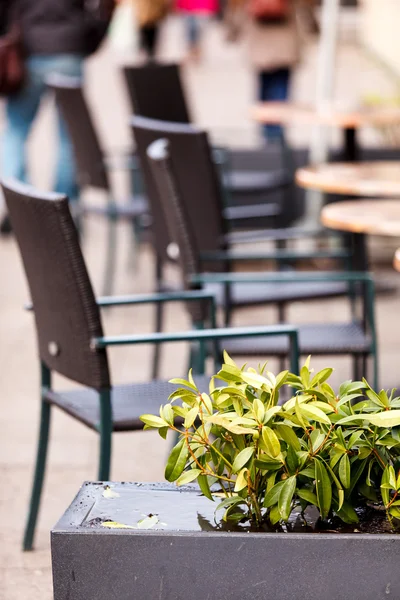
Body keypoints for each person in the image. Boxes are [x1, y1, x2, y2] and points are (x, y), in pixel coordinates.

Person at [0, 0, 115, 235]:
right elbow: (104, 6)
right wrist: (88, 38)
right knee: (68, 135)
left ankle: (21, 207)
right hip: (67, 50)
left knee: (15, 130)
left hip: (30, 48)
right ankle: (65, 208)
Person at [226, 0, 302, 142]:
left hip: (260, 42)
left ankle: (268, 134)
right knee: (280, 91)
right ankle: (276, 134)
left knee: (265, 91)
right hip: (284, 42)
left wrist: (232, 32)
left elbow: (236, 6)